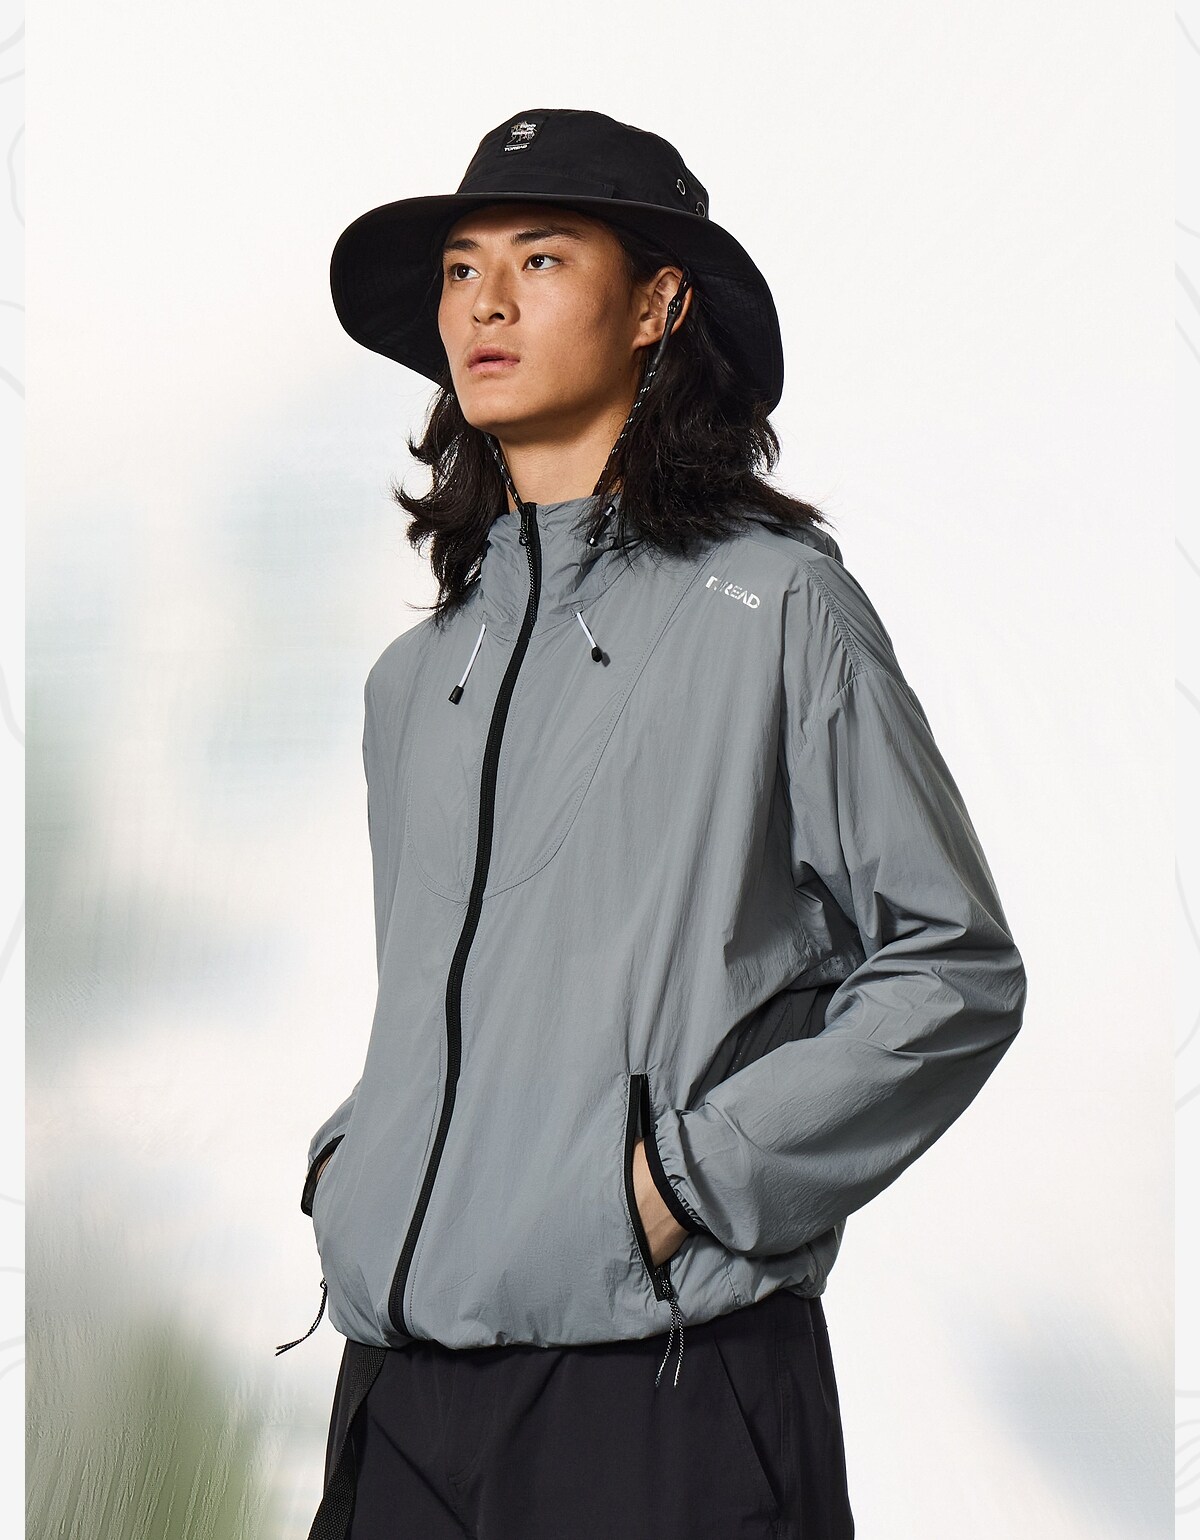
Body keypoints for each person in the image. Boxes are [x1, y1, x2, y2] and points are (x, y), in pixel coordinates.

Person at [277, 108, 1028, 1540]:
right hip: (398, 1391)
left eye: (542, 258)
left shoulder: (777, 610)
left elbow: (953, 967)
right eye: (460, 268)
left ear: (657, 306)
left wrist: (683, 1183)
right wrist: (358, 1158)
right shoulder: (411, 680)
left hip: (659, 1386)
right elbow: (448, 994)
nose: (485, 303)